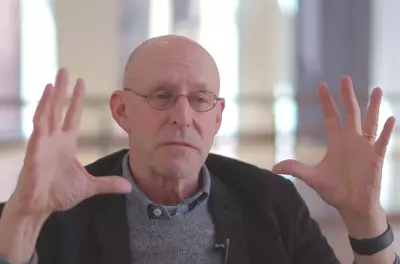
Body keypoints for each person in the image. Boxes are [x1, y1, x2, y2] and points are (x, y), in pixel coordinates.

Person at [0, 35, 398, 264]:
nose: (183, 116)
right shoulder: (62, 209)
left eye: (201, 99)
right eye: (161, 96)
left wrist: (366, 220)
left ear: (218, 116)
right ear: (122, 111)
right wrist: (21, 218)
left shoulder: (271, 203)